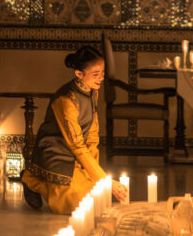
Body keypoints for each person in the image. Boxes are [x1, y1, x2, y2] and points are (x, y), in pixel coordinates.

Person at [22, 46, 127, 213]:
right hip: (57, 154)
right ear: (79, 74)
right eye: (95, 74)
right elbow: (77, 146)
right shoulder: (66, 100)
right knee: (81, 205)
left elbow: (92, 134)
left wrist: (93, 174)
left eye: (102, 73)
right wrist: (106, 182)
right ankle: (32, 181)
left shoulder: (92, 90)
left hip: (76, 156)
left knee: (98, 197)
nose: (101, 78)